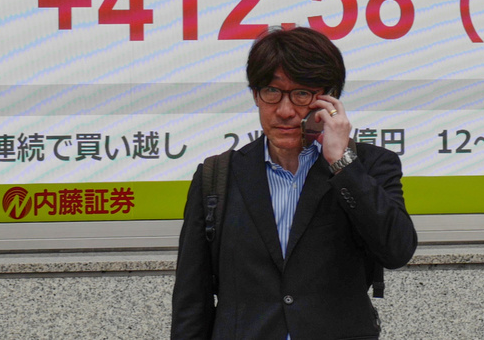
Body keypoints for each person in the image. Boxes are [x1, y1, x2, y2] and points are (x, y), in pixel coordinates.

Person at [171, 26, 417, 339]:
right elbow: (191, 298)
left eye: (301, 94)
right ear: (256, 95)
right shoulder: (217, 176)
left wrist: (342, 162)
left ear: (329, 99)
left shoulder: (369, 166)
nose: (285, 111)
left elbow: (397, 251)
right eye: (271, 92)